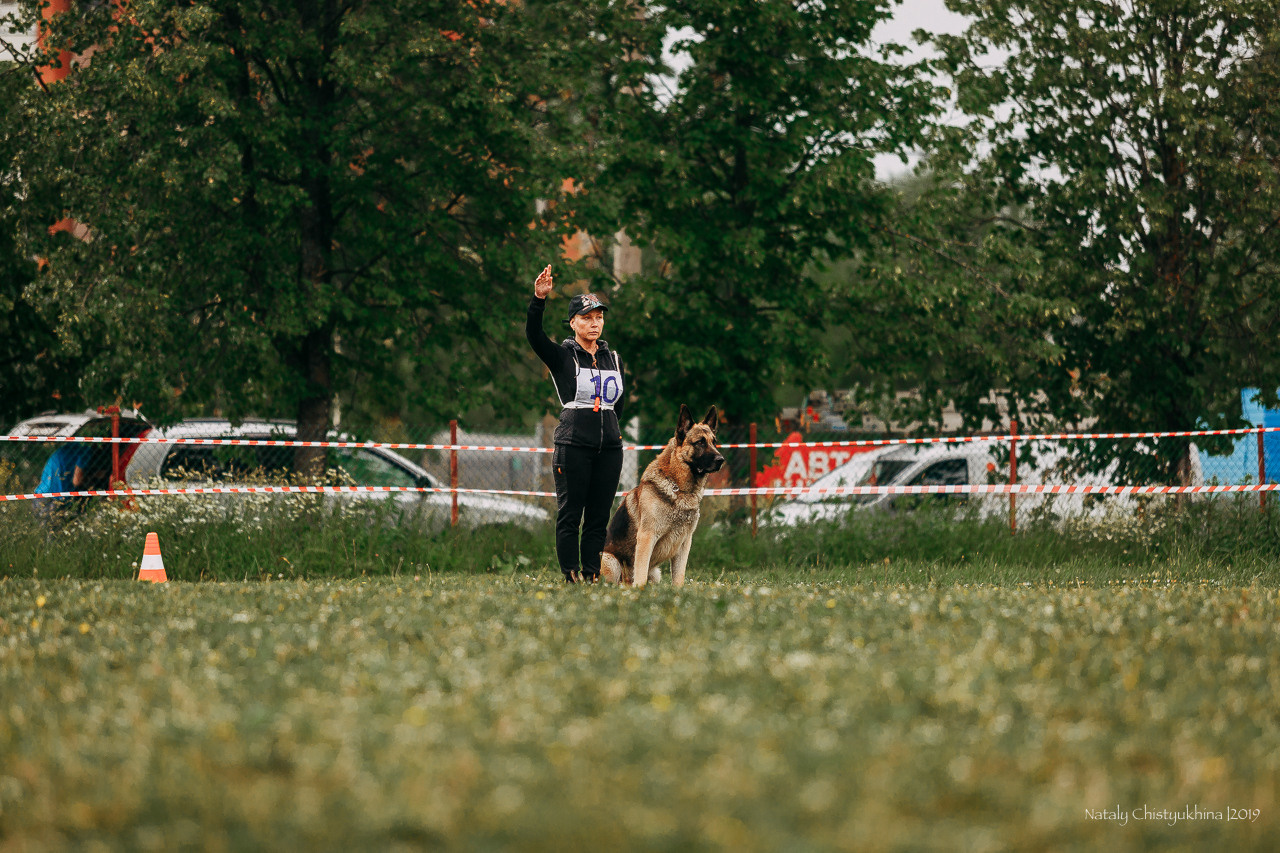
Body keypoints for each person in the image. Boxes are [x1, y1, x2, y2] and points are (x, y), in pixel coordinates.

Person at [526, 264, 626, 583]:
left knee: (598, 518)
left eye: (598, 317)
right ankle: (571, 576)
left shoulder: (614, 359)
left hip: (609, 448)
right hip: (573, 445)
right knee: (571, 515)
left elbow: (618, 404)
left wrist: (610, 430)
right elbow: (534, 335)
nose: (594, 323)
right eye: (586, 317)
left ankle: (591, 574)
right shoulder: (561, 356)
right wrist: (538, 300)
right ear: (573, 323)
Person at [33, 441, 92, 529]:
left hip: (40, 495)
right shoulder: (85, 451)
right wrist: (90, 478)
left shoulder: (67, 449)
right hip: (55, 499)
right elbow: (77, 481)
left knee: (48, 532)